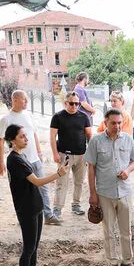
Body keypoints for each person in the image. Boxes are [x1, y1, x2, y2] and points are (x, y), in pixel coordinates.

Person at [5, 124, 67, 266]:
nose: (26, 139)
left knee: (34, 246)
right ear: (12, 140)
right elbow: (37, 182)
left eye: (26, 135)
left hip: (36, 205)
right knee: (29, 247)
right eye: (22, 136)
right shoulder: (14, 160)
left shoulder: (22, 155)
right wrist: (58, 174)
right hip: (26, 208)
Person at [86, 108, 134, 266]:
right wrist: (93, 194)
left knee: (126, 229)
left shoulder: (128, 139)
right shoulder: (96, 141)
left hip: (125, 192)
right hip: (105, 192)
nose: (117, 126)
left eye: (119, 123)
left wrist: (127, 171)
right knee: (109, 230)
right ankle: (112, 263)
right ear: (105, 123)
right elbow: (91, 168)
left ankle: (127, 262)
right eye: (113, 123)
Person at [0, 90, 60, 226]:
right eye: (24, 99)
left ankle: (48, 214)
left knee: (42, 187)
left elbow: (34, 134)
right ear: (15, 100)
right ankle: (23, 217)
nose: (26, 102)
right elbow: (0, 141)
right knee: (22, 191)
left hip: (34, 159)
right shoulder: (6, 119)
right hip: (19, 161)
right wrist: (0, 162)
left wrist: (39, 152)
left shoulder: (28, 115)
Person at [49, 91, 92, 219]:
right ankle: (57, 208)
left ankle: (76, 205)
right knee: (62, 182)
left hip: (81, 155)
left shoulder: (84, 117)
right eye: (72, 104)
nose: (75, 106)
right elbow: (52, 136)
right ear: (65, 103)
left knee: (79, 182)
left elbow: (89, 136)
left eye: (77, 104)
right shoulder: (58, 117)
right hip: (64, 155)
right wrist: (55, 153)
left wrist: (91, 154)